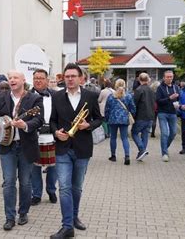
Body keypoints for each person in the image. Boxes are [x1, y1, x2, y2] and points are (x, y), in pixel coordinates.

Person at [49, 63, 102, 239]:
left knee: (76, 187)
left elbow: (99, 119)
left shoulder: (91, 96)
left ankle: (74, 217)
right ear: (63, 78)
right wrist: (56, 132)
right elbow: (52, 121)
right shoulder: (56, 96)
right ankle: (67, 226)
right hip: (63, 147)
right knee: (64, 188)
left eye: (73, 76)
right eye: (67, 76)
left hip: (82, 148)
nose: (70, 79)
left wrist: (88, 125)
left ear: (81, 78)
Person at [0, 70, 43, 231]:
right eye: (10, 78)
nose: (12, 80)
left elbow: (39, 120)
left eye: (15, 78)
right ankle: (9, 217)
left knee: (25, 183)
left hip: (26, 146)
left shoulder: (34, 99)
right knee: (9, 182)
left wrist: (25, 125)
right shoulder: (1, 98)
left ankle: (23, 212)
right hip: (7, 147)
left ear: (23, 80)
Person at [29, 69, 58, 206]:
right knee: (35, 167)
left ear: (47, 80)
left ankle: (51, 190)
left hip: (52, 135)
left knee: (53, 167)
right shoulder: (27, 96)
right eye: (35, 78)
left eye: (41, 78)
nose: (38, 80)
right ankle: (36, 194)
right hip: (34, 136)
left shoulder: (56, 96)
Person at [105, 79, 136, 165]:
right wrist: (130, 114)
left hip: (113, 119)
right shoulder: (128, 96)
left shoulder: (111, 96)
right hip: (124, 119)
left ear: (115, 85)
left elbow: (107, 109)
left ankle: (113, 156)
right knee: (124, 138)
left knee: (113, 138)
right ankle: (127, 156)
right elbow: (133, 108)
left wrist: (106, 118)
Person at [155, 70, 181, 162]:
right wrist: (169, 98)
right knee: (165, 133)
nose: (169, 78)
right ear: (164, 78)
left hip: (173, 112)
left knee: (173, 133)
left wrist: (179, 103)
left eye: (171, 77)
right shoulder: (160, 88)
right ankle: (164, 153)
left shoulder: (176, 87)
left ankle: (165, 147)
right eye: (168, 77)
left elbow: (179, 98)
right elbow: (158, 101)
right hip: (162, 113)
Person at [131, 73, 155, 161]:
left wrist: (132, 115)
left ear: (139, 79)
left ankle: (142, 149)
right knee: (145, 134)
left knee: (134, 133)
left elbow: (134, 104)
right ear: (148, 79)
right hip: (150, 116)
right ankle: (142, 153)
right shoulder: (151, 90)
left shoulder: (138, 90)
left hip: (141, 116)